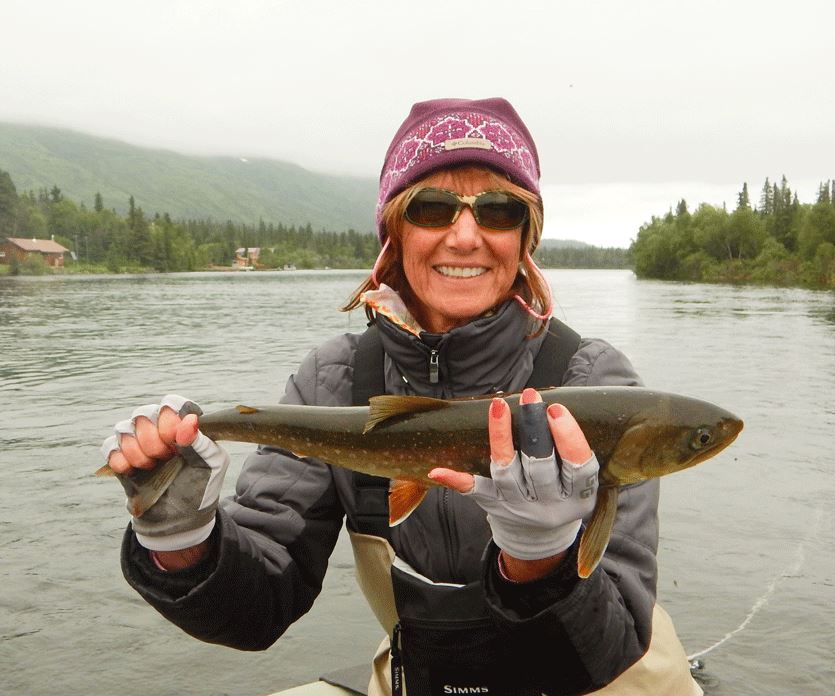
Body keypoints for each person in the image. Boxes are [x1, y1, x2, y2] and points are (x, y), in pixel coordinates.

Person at [102, 98, 702, 695]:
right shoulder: (335, 382)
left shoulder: (596, 382)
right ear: (394, 229)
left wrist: (541, 562)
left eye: (497, 211)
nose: (465, 236)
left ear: (526, 238)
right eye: (433, 208)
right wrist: (183, 542)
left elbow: (612, 649)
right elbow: (259, 610)